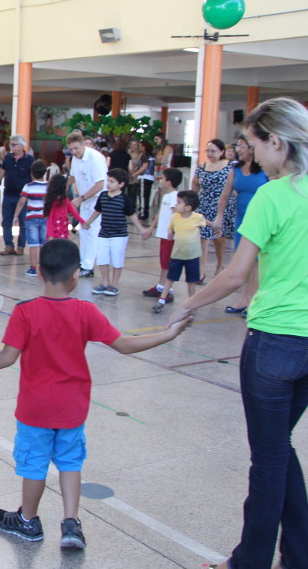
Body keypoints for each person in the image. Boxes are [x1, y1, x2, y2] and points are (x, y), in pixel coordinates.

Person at [0, 239, 191, 549]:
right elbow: (124, 345)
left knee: (34, 465)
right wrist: (169, 334)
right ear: (76, 275)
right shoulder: (85, 311)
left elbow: (6, 357)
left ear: (40, 272)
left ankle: (28, 520)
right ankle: (71, 523)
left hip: (36, 409)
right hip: (72, 408)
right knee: (70, 462)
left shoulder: (25, 312)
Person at [164, 97, 308, 569]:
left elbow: (234, 275)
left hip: (274, 342)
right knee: (279, 448)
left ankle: (249, 561)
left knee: (267, 459)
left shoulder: (273, 195)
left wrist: (186, 304)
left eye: (253, 145)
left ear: (277, 143)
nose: (250, 155)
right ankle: (299, 556)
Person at [210, 133, 268, 315]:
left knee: (256, 260)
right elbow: (226, 194)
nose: (238, 149)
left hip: (260, 218)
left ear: (252, 148)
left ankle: (253, 299)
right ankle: (243, 298)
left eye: (242, 146)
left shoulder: (265, 169)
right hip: (241, 218)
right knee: (242, 258)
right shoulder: (235, 169)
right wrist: (220, 216)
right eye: (237, 146)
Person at [81, 168, 144, 296]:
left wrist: (142, 230)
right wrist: (88, 222)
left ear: (121, 184)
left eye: (112, 181)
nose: (108, 184)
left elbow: (132, 215)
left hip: (119, 235)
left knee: (117, 260)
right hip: (104, 234)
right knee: (102, 260)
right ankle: (105, 283)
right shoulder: (103, 196)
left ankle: (114, 285)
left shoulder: (124, 199)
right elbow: (97, 211)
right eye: (108, 181)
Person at [152, 190, 205, 313]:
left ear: (188, 208)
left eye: (179, 202)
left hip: (192, 256)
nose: (176, 205)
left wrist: (215, 226)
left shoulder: (197, 217)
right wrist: (170, 233)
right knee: (170, 278)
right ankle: (161, 300)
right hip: (177, 255)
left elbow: (205, 222)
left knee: (191, 281)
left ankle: (191, 303)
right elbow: (171, 229)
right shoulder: (175, 217)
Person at [192, 138, 236, 280]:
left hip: (222, 205)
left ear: (221, 152)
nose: (210, 154)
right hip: (204, 204)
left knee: (219, 238)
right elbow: (195, 183)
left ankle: (220, 265)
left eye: (213, 151)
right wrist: (194, 200)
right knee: (203, 237)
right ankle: (201, 271)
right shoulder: (202, 167)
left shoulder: (230, 166)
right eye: (208, 151)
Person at [67, 131, 108, 277]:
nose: (74, 152)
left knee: (92, 232)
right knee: (83, 231)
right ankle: (83, 262)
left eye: (76, 148)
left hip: (97, 200)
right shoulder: (75, 158)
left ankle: (88, 266)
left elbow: (100, 184)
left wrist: (81, 199)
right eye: (71, 149)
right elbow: (73, 177)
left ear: (83, 144)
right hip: (85, 199)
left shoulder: (96, 158)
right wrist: (61, 188)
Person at [141, 168, 184, 302]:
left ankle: (167, 290)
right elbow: (161, 214)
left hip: (169, 237)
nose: (160, 181)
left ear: (169, 182)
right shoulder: (166, 196)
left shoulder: (174, 197)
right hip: (164, 236)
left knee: (167, 264)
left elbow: (176, 215)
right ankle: (161, 287)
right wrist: (151, 228)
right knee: (164, 263)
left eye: (163, 179)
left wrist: (173, 231)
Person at [0, 135, 34, 255]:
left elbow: (33, 178)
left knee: (23, 222)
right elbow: (1, 174)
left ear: (22, 146)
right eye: (11, 144)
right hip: (8, 194)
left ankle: (21, 246)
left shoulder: (30, 160)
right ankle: (8, 245)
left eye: (14, 144)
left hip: (23, 197)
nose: (12, 147)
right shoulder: (8, 158)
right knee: (6, 221)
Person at [12, 160, 48, 276]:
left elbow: (22, 201)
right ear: (44, 173)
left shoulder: (28, 186)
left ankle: (33, 268)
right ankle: (43, 268)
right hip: (45, 218)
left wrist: (16, 215)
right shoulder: (48, 186)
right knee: (44, 243)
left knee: (33, 244)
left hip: (31, 218)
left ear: (32, 173)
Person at [43, 173, 86, 242]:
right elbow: (49, 220)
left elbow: (73, 211)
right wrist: (50, 235)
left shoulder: (65, 200)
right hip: (55, 235)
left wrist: (82, 221)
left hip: (64, 232)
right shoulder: (53, 202)